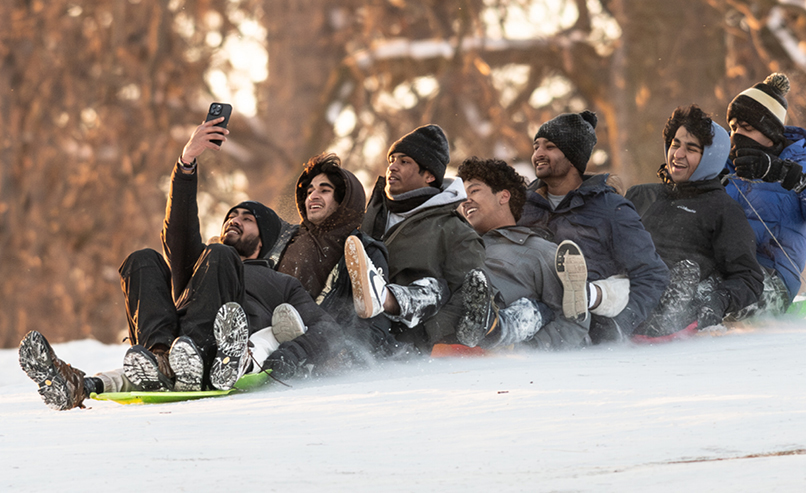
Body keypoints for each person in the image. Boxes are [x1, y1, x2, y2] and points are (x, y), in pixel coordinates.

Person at [19, 117, 343, 409]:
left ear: (265, 238)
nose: (235, 220)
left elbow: (326, 330)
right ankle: (149, 362)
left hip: (222, 355)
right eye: (231, 216)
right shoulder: (200, 263)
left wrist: (290, 355)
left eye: (247, 219)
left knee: (220, 254)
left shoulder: (281, 283)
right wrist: (187, 162)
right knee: (142, 259)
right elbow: (179, 231)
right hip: (171, 344)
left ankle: (195, 355)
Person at [518, 111, 669, 343]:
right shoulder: (522, 206)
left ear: (573, 157)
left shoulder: (610, 208)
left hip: (586, 328)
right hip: (527, 316)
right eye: (536, 146)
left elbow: (651, 274)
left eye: (549, 147)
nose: (538, 154)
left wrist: (619, 327)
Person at [453, 157, 629, 350]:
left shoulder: (539, 251)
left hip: (495, 346)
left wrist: (527, 350)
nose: (465, 200)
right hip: (443, 337)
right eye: (462, 196)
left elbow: (572, 321)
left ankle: (493, 324)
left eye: (474, 191)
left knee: (538, 310)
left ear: (504, 196)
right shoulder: (457, 245)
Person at [625, 104, 763, 341]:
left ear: (710, 157)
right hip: (631, 286)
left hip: (685, 293)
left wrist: (719, 300)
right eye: (675, 144)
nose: (677, 154)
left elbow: (749, 278)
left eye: (691, 149)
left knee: (684, 280)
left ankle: (668, 310)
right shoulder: (642, 195)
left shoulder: (723, 209)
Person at [724, 73, 806, 315]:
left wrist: (797, 182)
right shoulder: (725, 168)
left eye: (747, 127)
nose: (737, 136)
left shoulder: (799, 168)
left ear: (771, 132)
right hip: (724, 266)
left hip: (771, 279)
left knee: (726, 296)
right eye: (733, 127)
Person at [353, 124, 486, 354]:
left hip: (404, 339)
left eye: (404, 162)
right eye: (391, 160)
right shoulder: (371, 216)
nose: (392, 167)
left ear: (429, 175)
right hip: (353, 324)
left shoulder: (454, 231)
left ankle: (384, 297)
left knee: (438, 288)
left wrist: (424, 336)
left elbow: (468, 300)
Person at [266, 152, 404, 368]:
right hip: (273, 337)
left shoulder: (364, 249)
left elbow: (374, 321)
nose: (313, 196)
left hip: (327, 349)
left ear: (343, 200)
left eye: (324, 190)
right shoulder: (286, 238)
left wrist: (345, 355)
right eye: (310, 191)